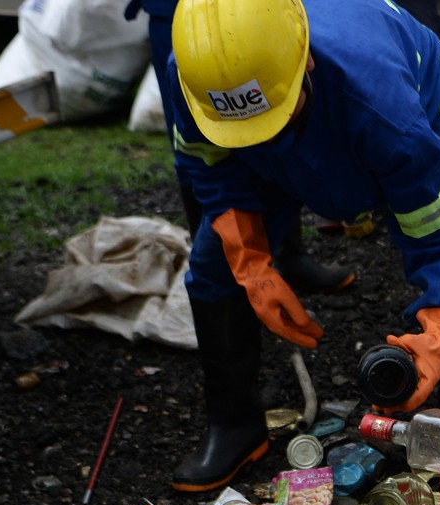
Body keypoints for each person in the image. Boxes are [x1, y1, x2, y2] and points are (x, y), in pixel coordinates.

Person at [165, 0, 440, 493]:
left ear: (306, 61)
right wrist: (251, 264)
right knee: (212, 268)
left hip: (410, 100)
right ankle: (234, 425)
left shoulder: (384, 108)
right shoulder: (197, 73)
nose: (267, 137)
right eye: (247, 127)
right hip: (308, 122)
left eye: (276, 118)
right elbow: (208, 164)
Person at [123, 0, 355, 296]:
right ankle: (220, 269)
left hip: (252, 14)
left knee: (276, 117)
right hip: (177, 14)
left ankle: (288, 254)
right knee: (199, 140)